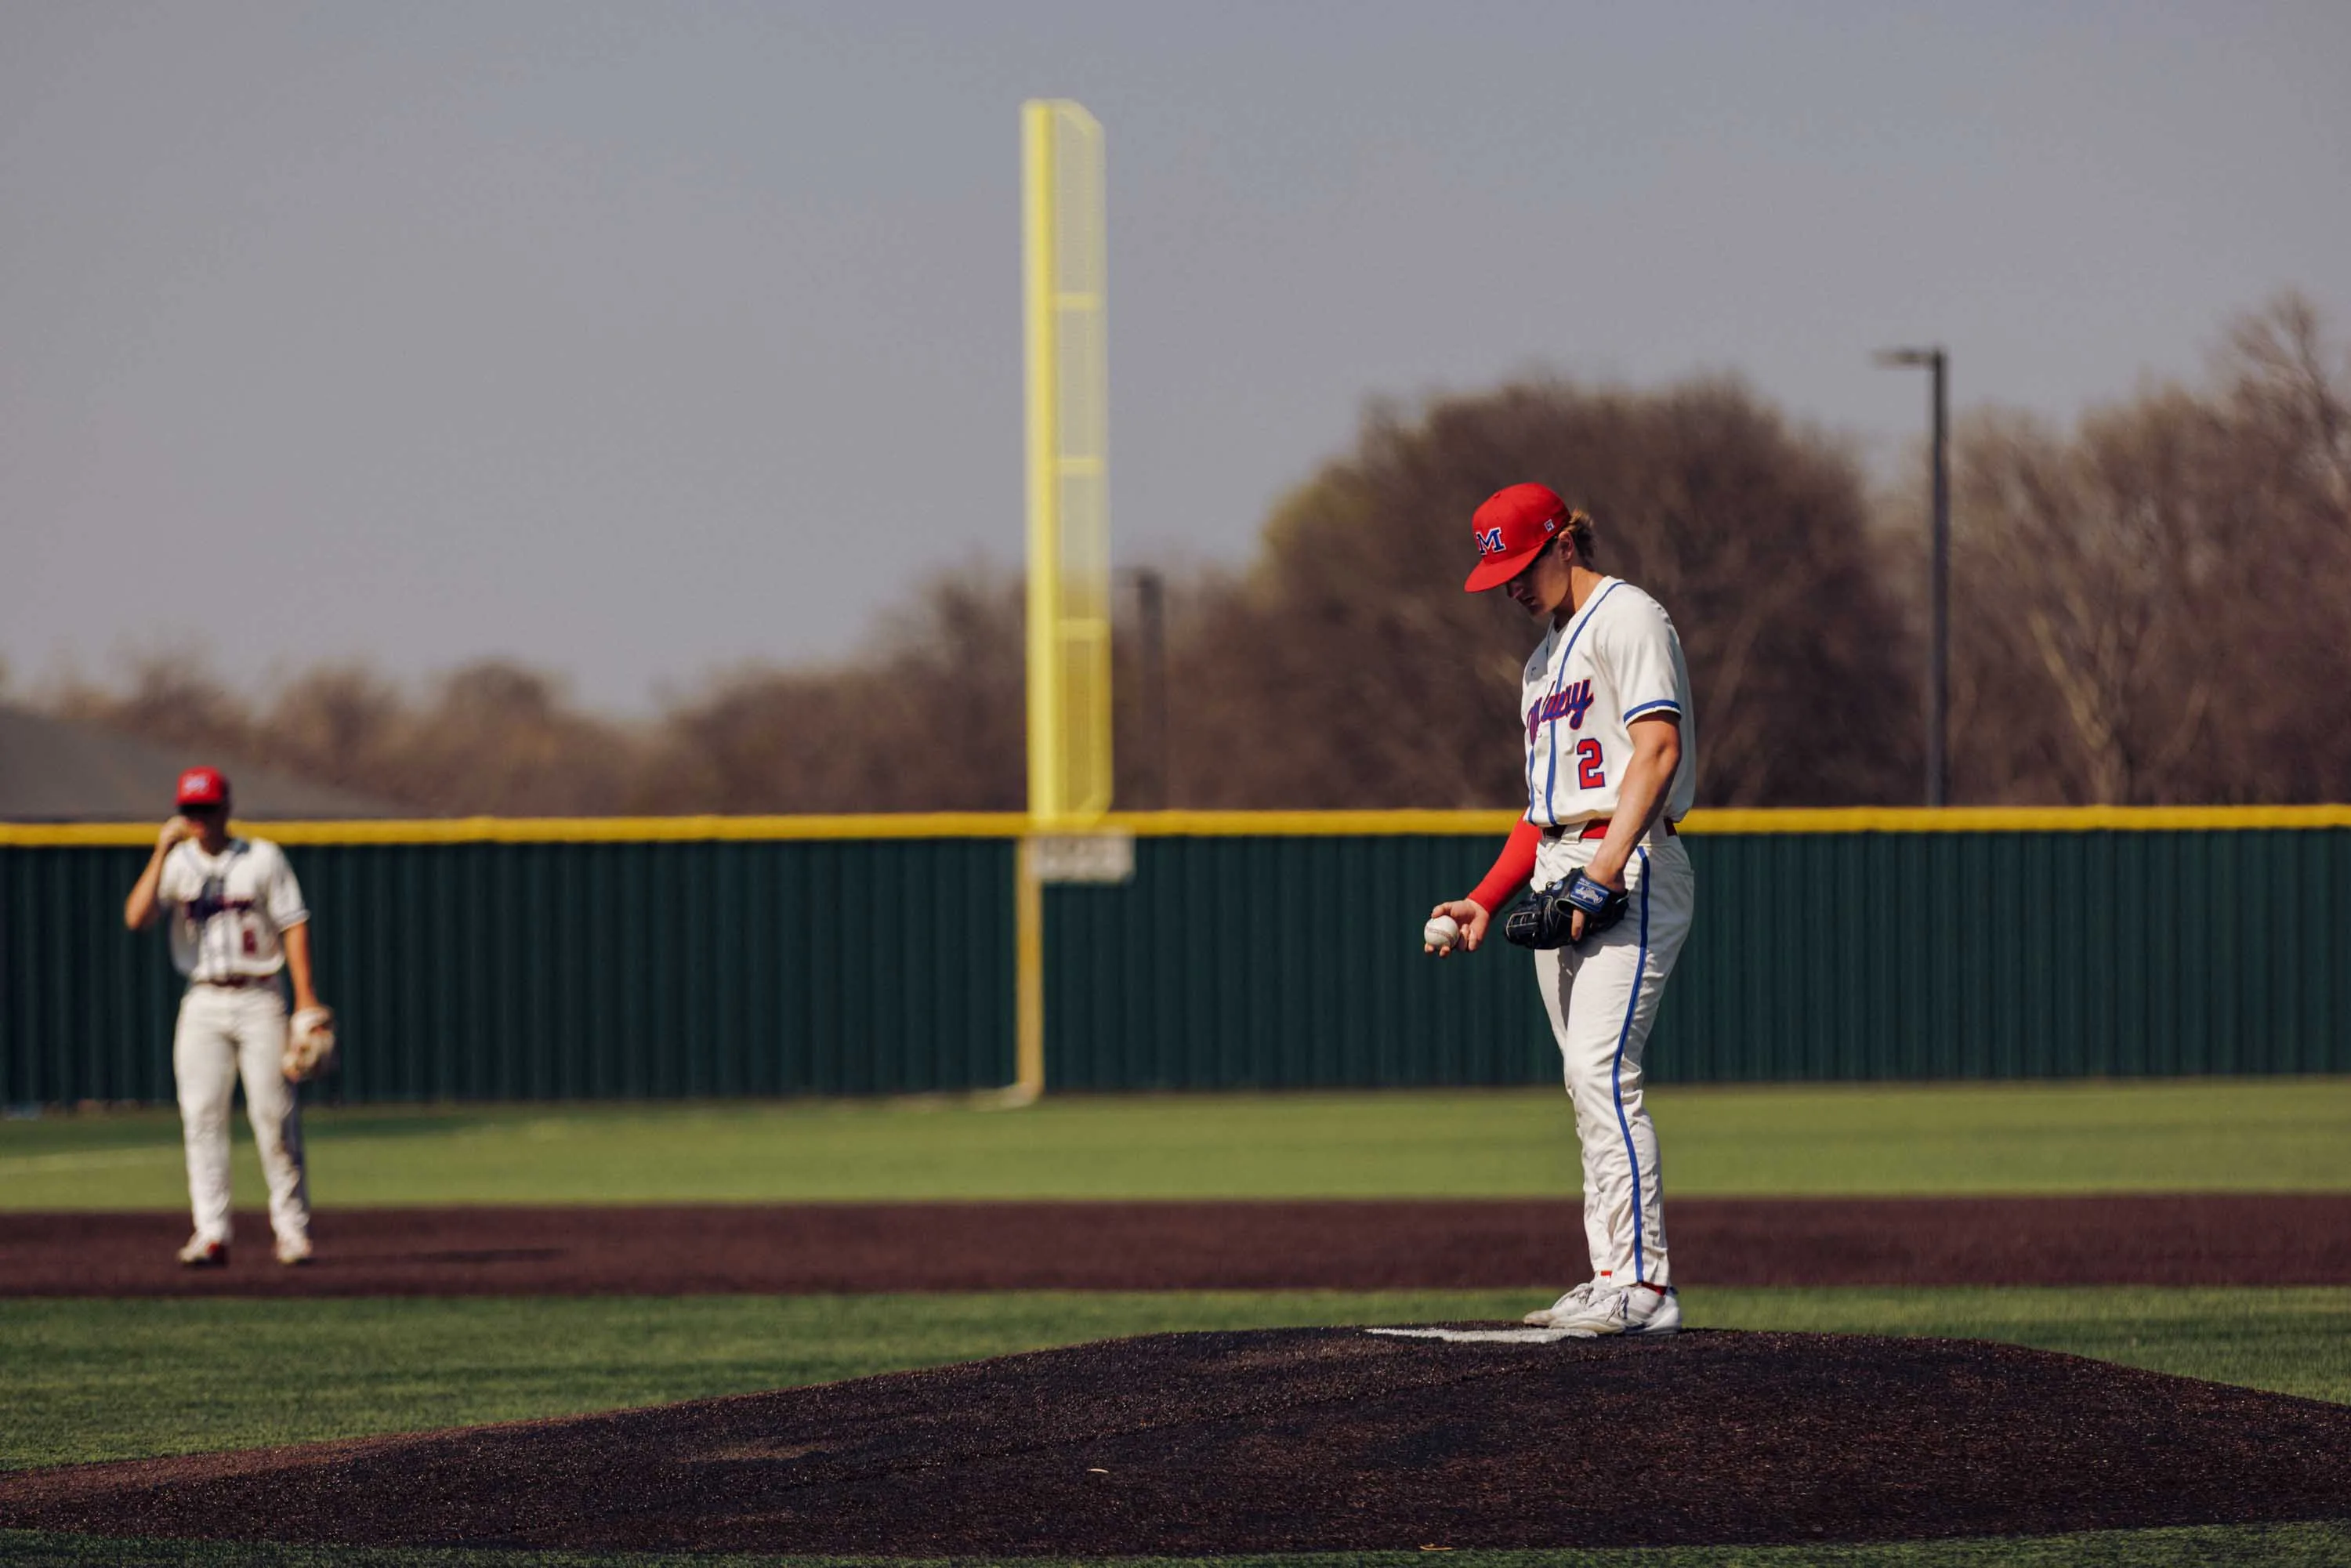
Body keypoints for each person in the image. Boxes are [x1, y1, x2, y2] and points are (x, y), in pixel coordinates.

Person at [1427, 482, 1698, 1336]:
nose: (1511, 584)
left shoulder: (1629, 618)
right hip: (1559, 862)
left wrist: (1604, 873)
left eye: (1520, 565)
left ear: (1564, 544)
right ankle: (1610, 1271)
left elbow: (1658, 751)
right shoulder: (1539, 666)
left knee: (1601, 1071)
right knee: (1583, 1085)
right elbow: (1541, 809)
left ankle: (1646, 1284)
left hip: (1629, 857)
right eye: (1498, 574)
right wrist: (1484, 898)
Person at [122, 766, 323, 1267]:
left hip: (259, 995)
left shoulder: (261, 857)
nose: (198, 819)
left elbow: (294, 925)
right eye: (190, 810)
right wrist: (160, 852)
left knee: (274, 1116)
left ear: (226, 808)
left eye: (206, 809)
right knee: (201, 1115)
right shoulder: (177, 863)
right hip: (203, 999)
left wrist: (306, 1000)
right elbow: (137, 917)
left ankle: (292, 1231)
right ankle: (211, 1232)